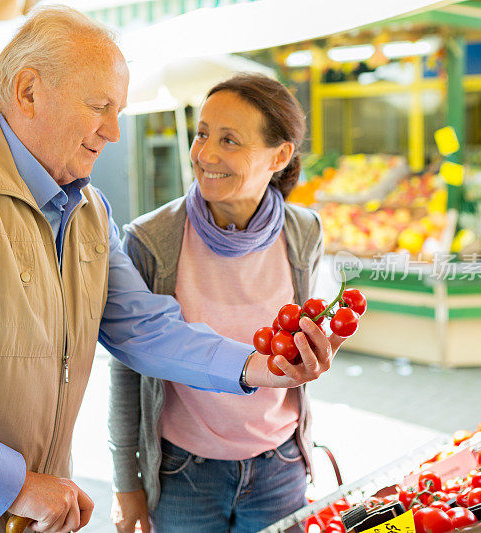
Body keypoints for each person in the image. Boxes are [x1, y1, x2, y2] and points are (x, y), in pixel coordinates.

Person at [0, 8, 339, 533]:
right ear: (29, 91)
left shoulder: (89, 210)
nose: (113, 130)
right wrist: (16, 485)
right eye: (100, 106)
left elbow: (144, 327)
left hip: (16, 512)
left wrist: (256, 366)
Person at [109, 74, 338, 533]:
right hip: (182, 475)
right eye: (202, 133)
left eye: (229, 140)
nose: (204, 154)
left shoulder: (304, 231)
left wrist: (325, 347)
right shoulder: (152, 240)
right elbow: (126, 367)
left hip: (280, 464)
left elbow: (309, 335)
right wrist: (126, 484)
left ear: (279, 156)